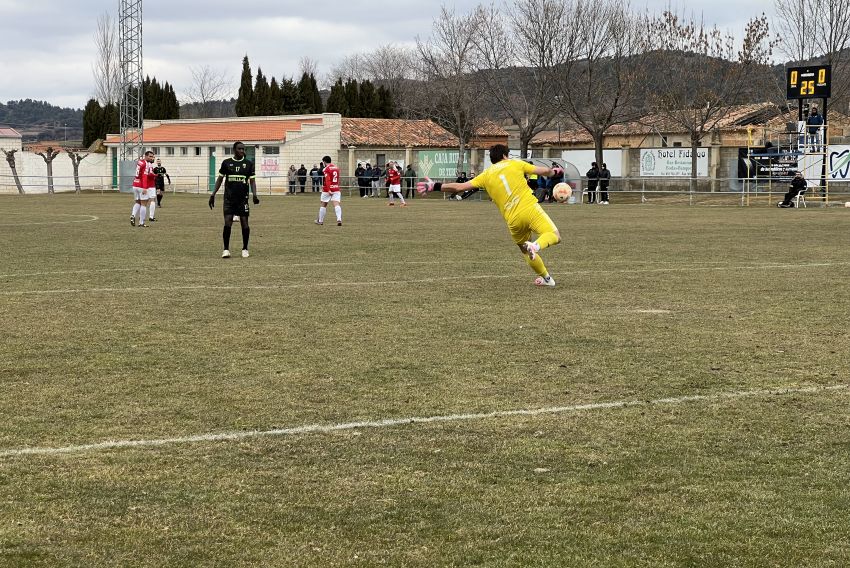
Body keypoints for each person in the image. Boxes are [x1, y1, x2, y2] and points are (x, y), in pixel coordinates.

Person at [418, 144, 562, 287]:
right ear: (505, 155)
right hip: (529, 208)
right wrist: (556, 172)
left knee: (525, 251)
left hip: (513, 220)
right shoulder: (516, 163)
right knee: (554, 235)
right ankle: (536, 246)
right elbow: (545, 171)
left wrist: (435, 186)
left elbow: (459, 187)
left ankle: (547, 279)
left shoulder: (486, 175)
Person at [208, 141, 259, 258]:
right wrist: (213, 194)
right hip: (229, 199)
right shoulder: (226, 163)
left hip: (243, 199)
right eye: (240, 149)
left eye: (243, 149)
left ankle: (245, 248)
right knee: (227, 223)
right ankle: (226, 250)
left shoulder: (249, 164)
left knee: (245, 224)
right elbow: (220, 179)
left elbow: (252, 181)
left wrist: (255, 195)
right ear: (234, 150)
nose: (242, 151)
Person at [130, 150, 155, 227]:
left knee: (138, 202)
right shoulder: (146, 164)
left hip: (135, 184)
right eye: (150, 156)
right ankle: (141, 223)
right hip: (141, 186)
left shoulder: (140, 162)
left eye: (152, 156)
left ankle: (133, 215)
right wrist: (145, 188)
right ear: (146, 156)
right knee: (144, 204)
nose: (151, 158)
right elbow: (144, 176)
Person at [316, 155, 342, 226]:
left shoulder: (326, 169)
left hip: (327, 189)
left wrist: (329, 189)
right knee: (336, 204)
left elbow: (327, 180)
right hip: (336, 188)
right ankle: (339, 219)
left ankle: (320, 221)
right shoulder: (336, 168)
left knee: (323, 204)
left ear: (324, 162)